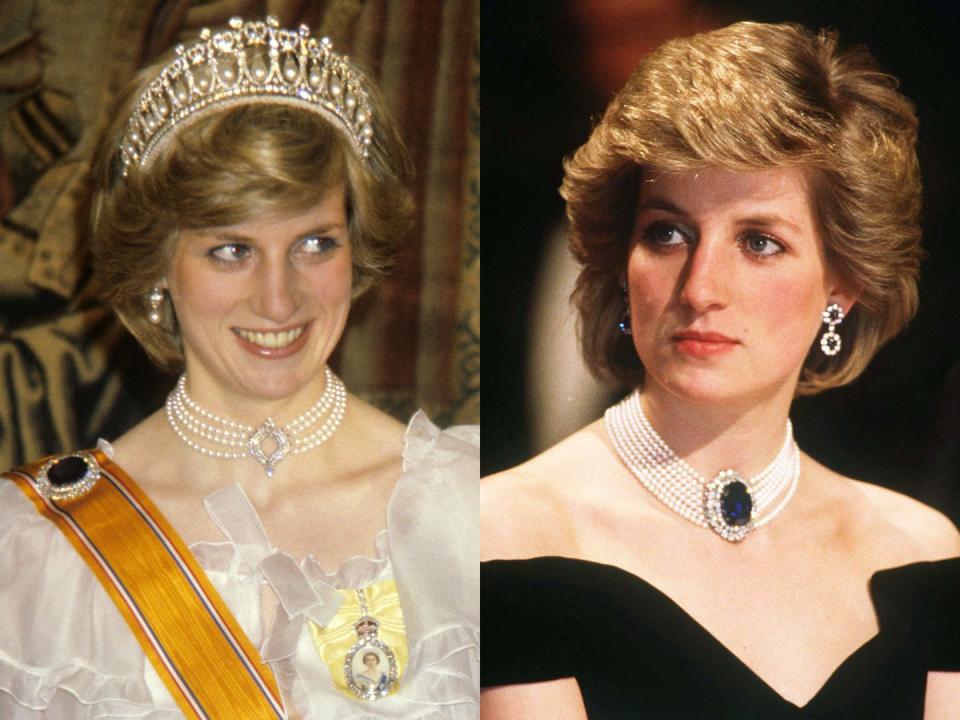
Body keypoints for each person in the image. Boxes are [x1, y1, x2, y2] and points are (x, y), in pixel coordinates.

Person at [0, 16, 478, 720]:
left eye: (316, 243)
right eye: (231, 250)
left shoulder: (466, 508)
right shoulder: (35, 549)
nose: (279, 297)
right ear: (160, 265)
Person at [481, 21, 960, 719]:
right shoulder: (505, 537)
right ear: (622, 263)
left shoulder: (920, 552)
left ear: (842, 285)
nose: (701, 286)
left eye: (759, 242)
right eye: (667, 234)